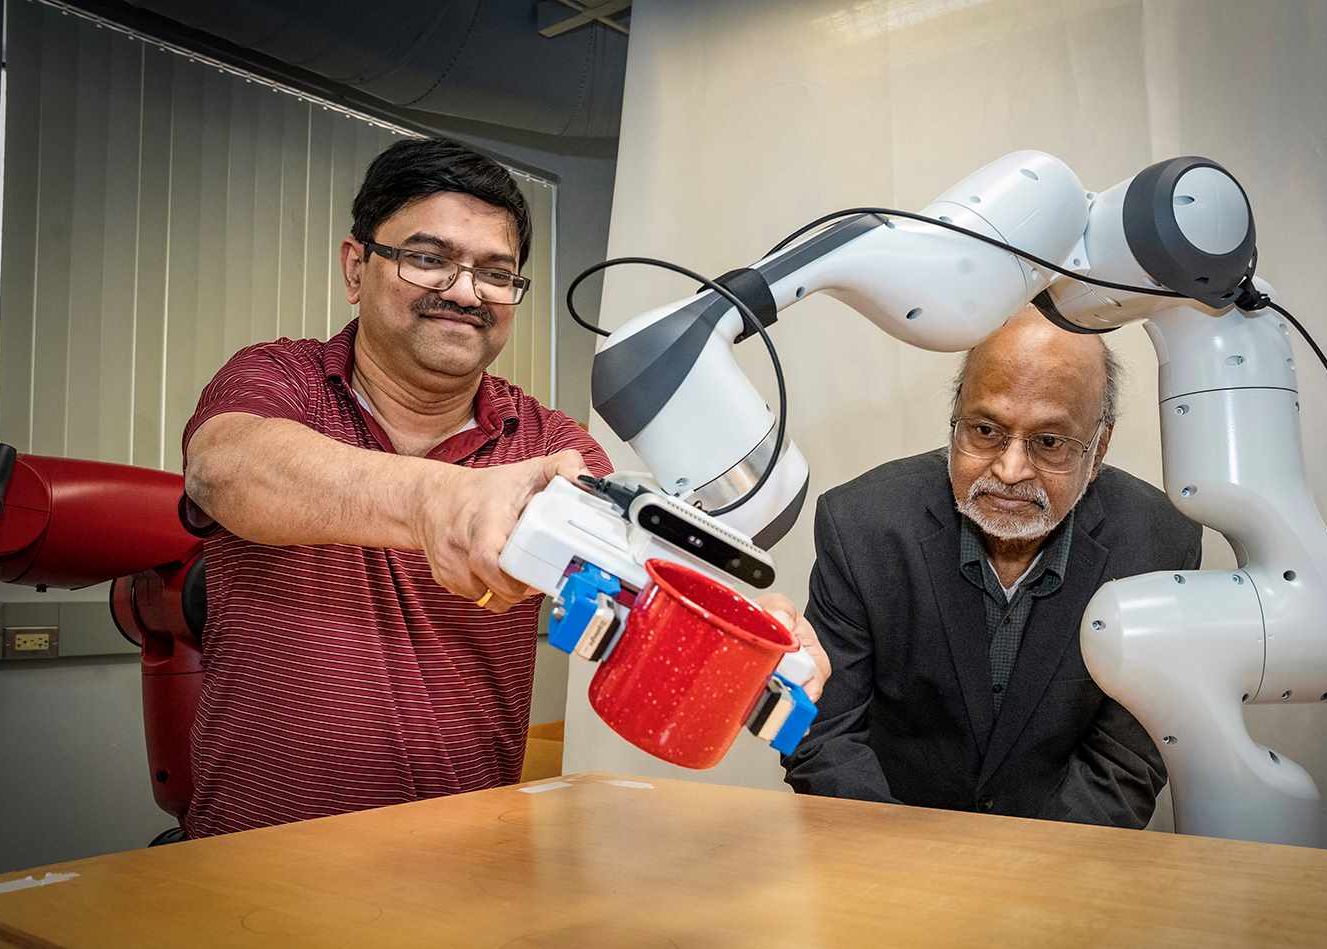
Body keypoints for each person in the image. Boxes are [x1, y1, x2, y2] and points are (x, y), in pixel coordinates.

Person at [181, 138, 826, 837]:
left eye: (496, 272)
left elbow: (646, 591)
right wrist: (440, 501)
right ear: (356, 267)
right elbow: (223, 470)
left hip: (469, 861)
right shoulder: (283, 380)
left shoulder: (551, 447)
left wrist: (754, 641)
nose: (465, 292)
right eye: (429, 259)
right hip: (260, 853)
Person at [782, 306, 1201, 828]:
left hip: (1062, 867)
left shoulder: (1158, 544)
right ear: (955, 416)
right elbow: (822, 733)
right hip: (884, 852)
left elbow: (1125, 761)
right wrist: (899, 870)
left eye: (1050, 442)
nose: (1009, 469)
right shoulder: (861, 526)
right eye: (985, 431)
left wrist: (1029, 882)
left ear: (1099, 448)